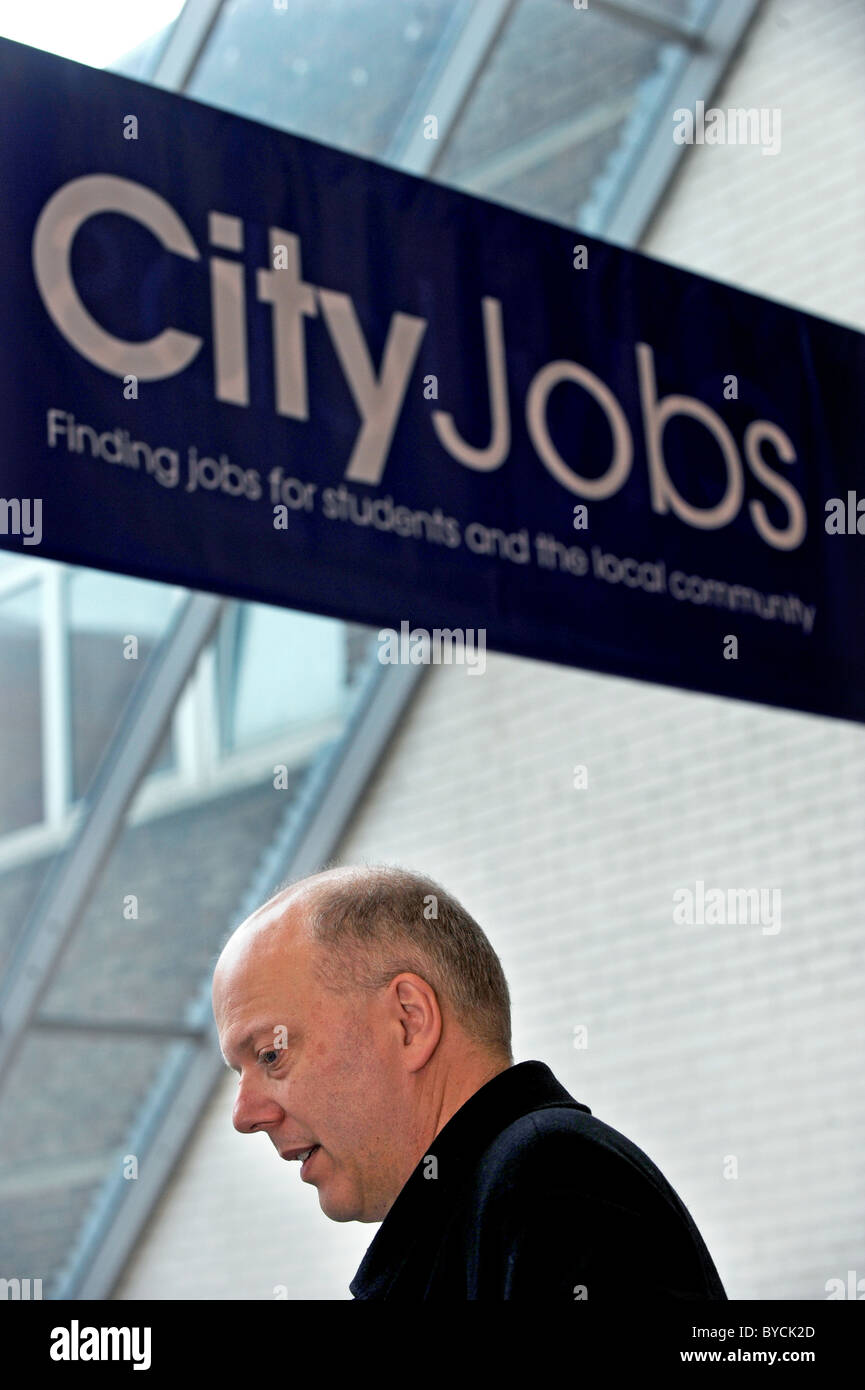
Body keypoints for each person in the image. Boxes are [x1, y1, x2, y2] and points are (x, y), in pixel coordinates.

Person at [212, 863, 727, 1301]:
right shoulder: (508, 1198)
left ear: (408, 1021)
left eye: (271, 1054)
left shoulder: (552, 1179)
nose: (244, 1116)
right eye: (240, 1072)